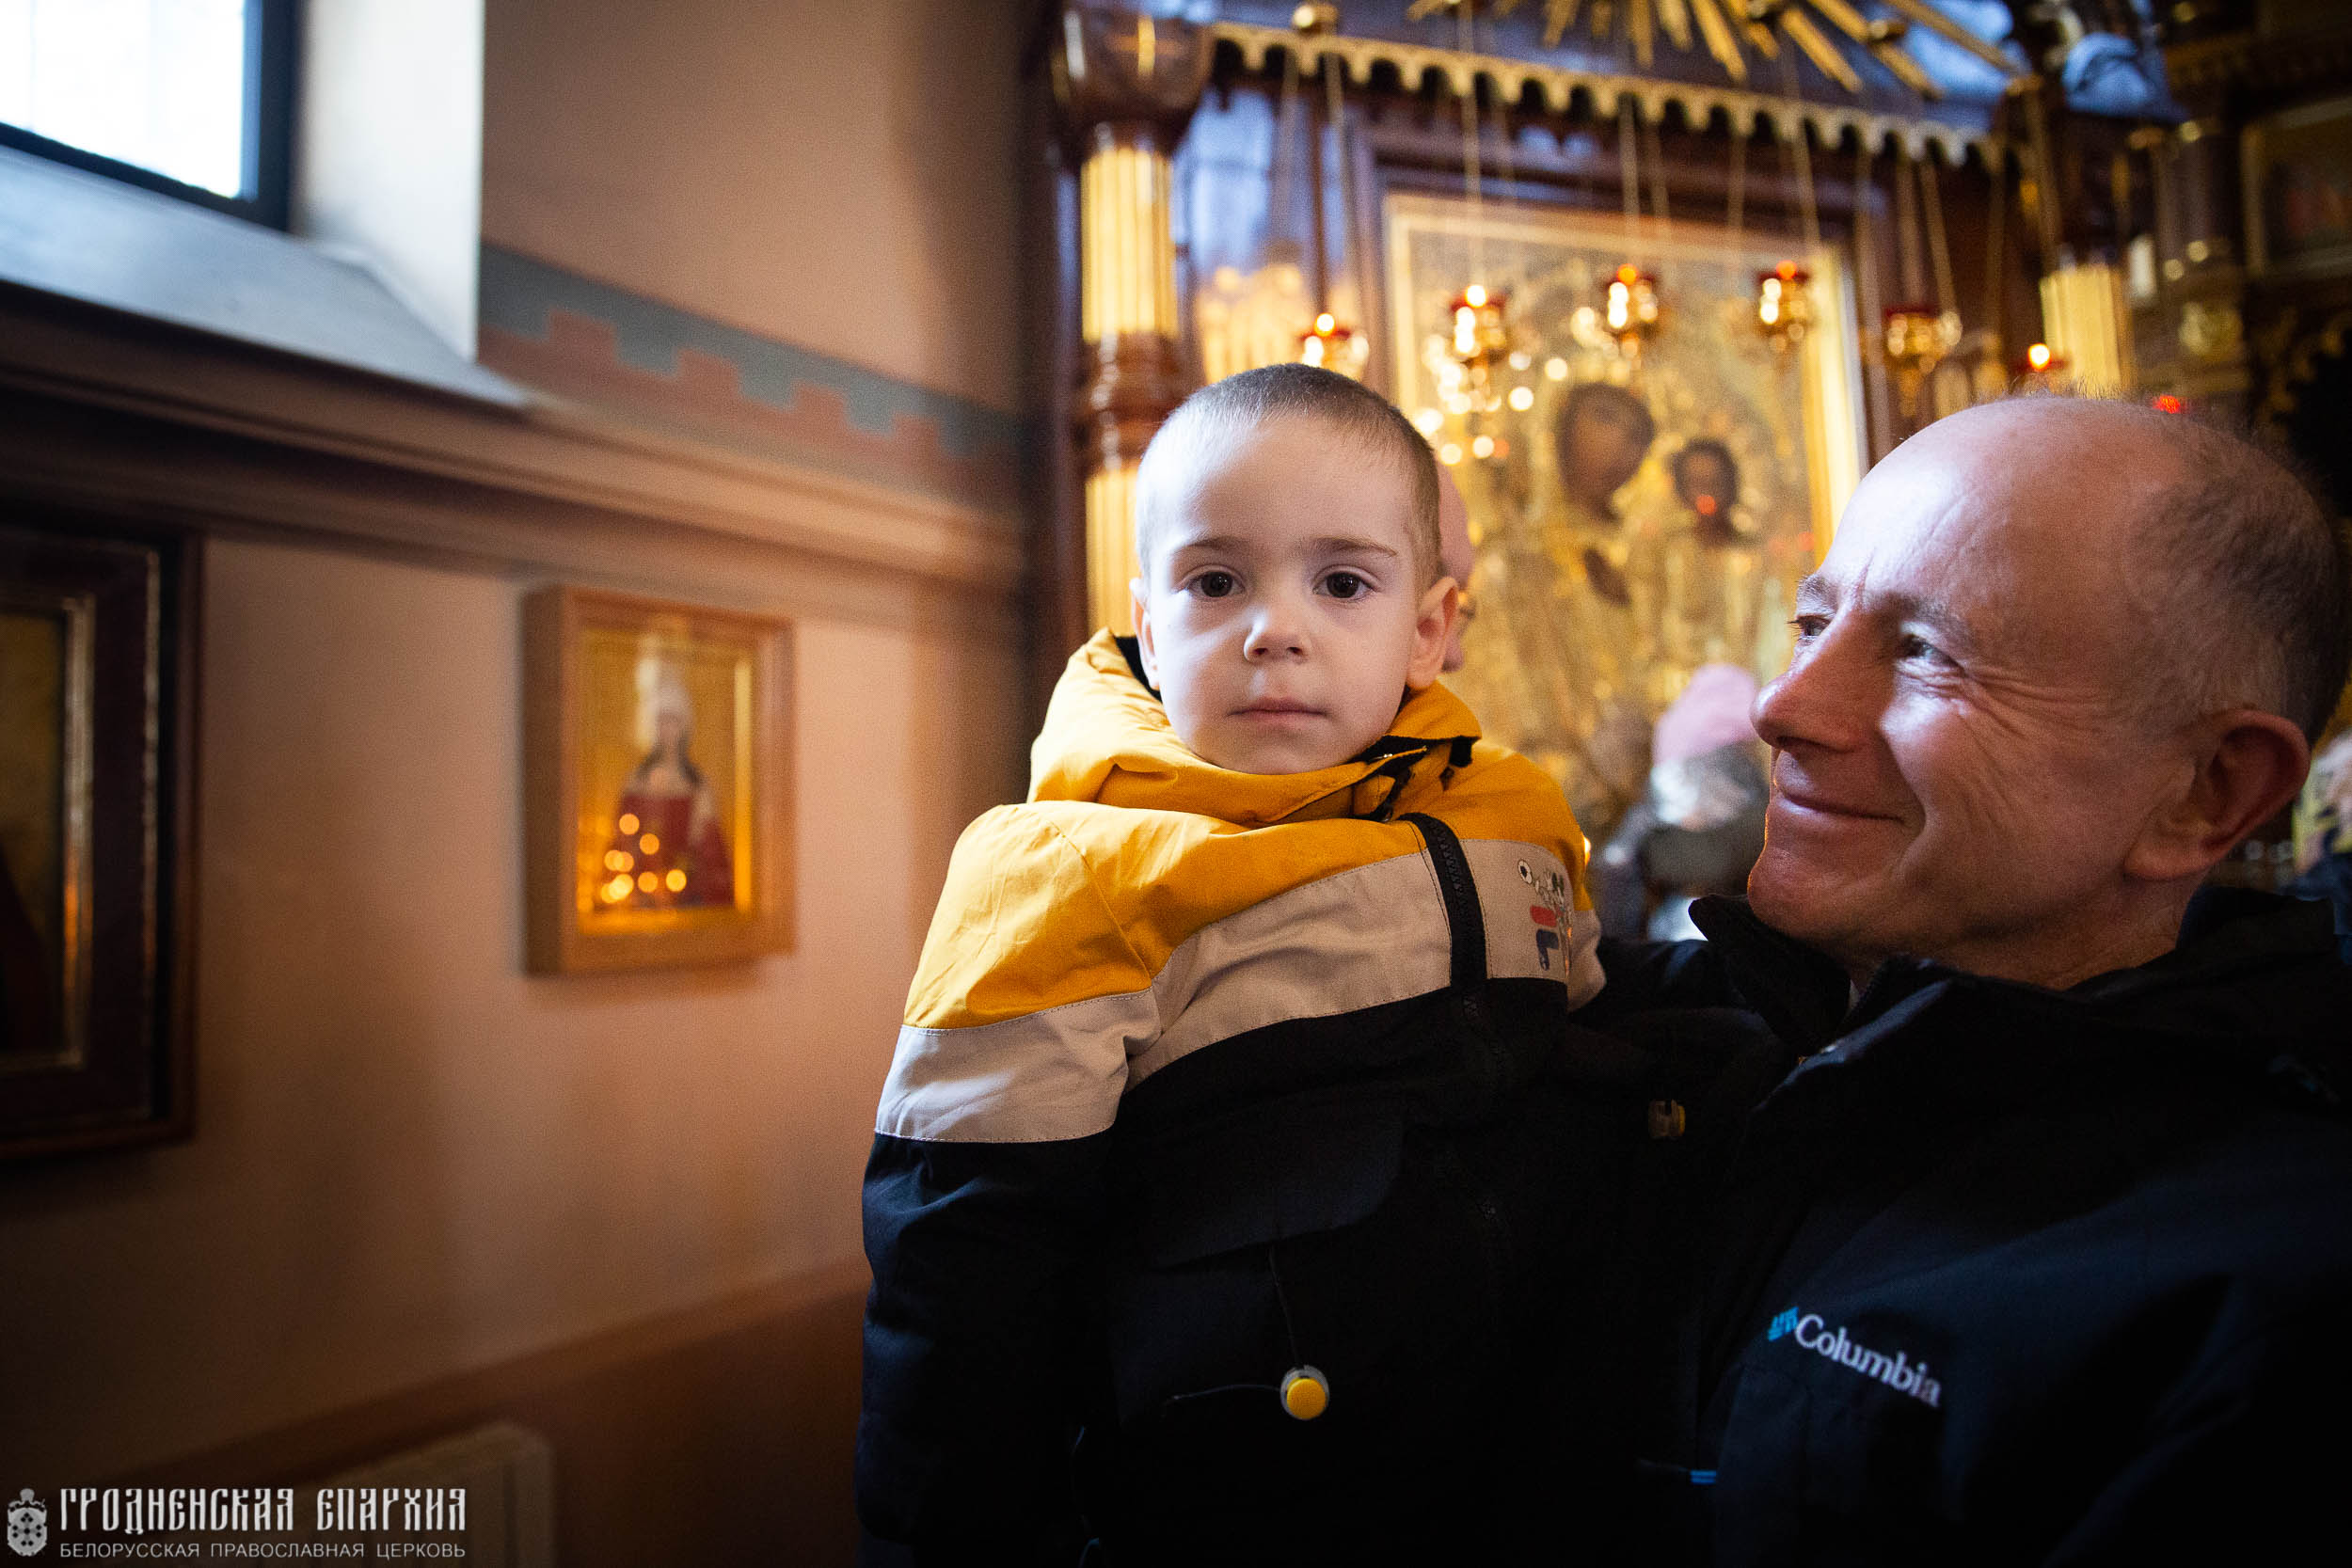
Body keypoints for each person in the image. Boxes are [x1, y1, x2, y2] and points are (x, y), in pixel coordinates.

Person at [857, 363, 1618, 1563]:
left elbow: (1583, 1045)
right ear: (1152, 627)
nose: (1275, 628)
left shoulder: (1512, 813)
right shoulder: (1062, 869)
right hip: (1231, 1484)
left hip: (1524, 1446)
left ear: (1427, 630)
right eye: (1216, 582)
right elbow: (963, 1274)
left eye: (1341, 582)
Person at [1587, 396, 2352, 1561]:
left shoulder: (2263, 1297)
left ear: (2205, 789)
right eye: (1810, 623)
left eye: (1926, 654)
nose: (1782, 708)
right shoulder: (1653, 1041)